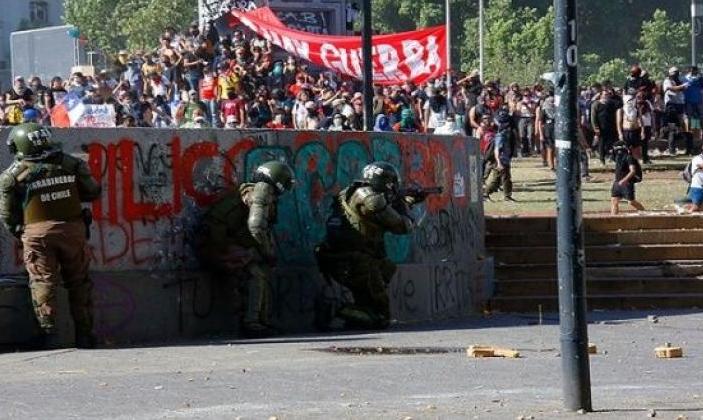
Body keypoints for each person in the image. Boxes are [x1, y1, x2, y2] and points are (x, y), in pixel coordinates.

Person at [0, 123, 102, 348]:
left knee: (42, 282)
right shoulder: (70, 163)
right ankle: (85, 335)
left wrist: (21, 232)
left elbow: (8, 215)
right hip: (72, 229)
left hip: (37, 233)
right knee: (79, 282)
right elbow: (92, 192)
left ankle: (50, 336)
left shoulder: (12, 176)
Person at [315, 162, 422, 330]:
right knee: (381, 318)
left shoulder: (354, 191)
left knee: (386, 268)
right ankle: (338, 309)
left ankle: (356, 316)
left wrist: (402, 201)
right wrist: (404, 205)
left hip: (347, 257)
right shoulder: (370, 198)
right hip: (352, 260)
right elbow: (401, 226)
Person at [198, 161, 295, 338]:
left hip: (222, 243)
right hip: (217, 245)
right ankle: (253, 324)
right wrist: (266, 252)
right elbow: (256, 226)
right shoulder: (262, 191)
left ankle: (260, 321)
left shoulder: (255, 190)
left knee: (260, 269)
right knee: (256, 272)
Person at [483, 110, 516, 202]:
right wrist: (499, 163)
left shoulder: (506, 134)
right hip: (500, 160)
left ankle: (489, 194)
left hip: (504, 160)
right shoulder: (500, 136)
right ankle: (487, 194)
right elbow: (497, 150)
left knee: (499, 180)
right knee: (503, 179)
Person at [610, 141, 645, 215]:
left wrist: (624, 180)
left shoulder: (629, 157)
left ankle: (645, 213)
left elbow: (633, 171)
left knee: (631, 202)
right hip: (617, 182)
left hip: (627, 183)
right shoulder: (617, 158)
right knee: (614, 201)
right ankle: (613, 219)